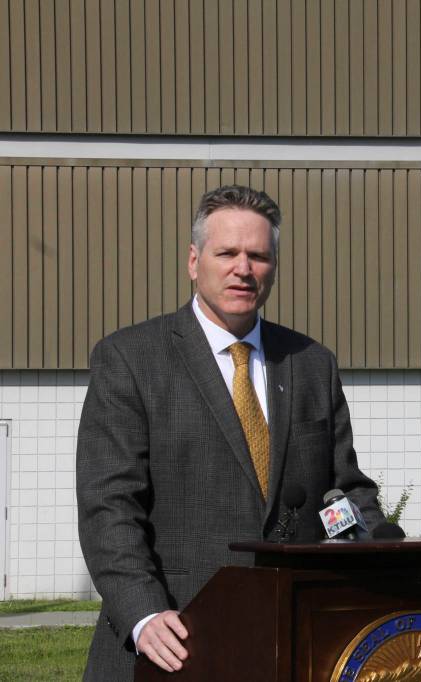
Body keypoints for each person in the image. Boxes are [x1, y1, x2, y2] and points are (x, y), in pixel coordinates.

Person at [76, 185, 384, 680]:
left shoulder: (311, 364)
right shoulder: (131, 359)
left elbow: (342, 489)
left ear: (274, 268)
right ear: (194, 261)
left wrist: (371, 547)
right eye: (228, 253)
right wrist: (144, 613)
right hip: (171, 644)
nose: (244, 268)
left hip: (291, 644)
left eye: (259, 256)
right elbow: (108, 506)